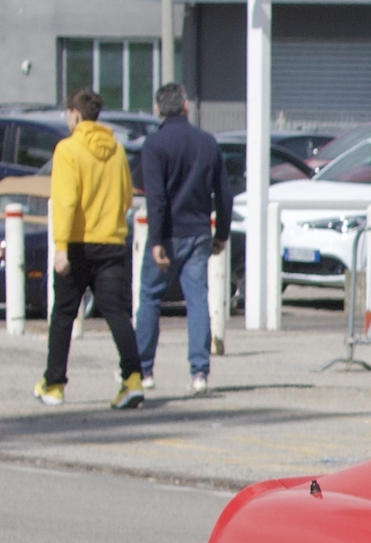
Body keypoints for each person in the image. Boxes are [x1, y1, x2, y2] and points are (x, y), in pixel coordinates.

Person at [37, 88, 145, 409]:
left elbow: (66, 201)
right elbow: (127, 197)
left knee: (64, 314)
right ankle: (133, 379)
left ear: (74, 114)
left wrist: (60, 248)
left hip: (77, 244)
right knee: (117, 313)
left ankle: (54, 384)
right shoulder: (116, 149)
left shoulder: (68, 149)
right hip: (111, 242)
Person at [134, 83, 228, 396]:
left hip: (169, 233)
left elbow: (156, 198)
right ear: (186, 105)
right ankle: (199, 372)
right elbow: (223, 194)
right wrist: (222, 233)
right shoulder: (207, 142)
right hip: (199, 231)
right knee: (197, 300)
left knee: (150, 297)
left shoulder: (154, 145)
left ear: (158, 109)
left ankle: (144, 370)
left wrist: (157, 240)